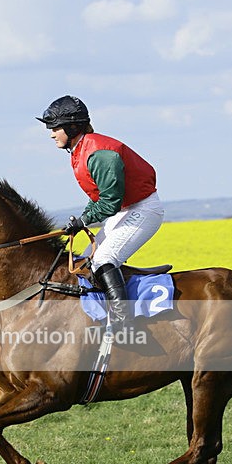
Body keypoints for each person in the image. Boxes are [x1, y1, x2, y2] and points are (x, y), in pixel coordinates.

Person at [37, 95, 164, 326]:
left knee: (104, 258)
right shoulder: (80, 150)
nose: (52, 133)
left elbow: (110, 203)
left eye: (55, 128)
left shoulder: (99, 153)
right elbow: (98, 197)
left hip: (143, 209)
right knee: (86, 262)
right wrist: (81, 220)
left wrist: (84, 220)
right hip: (124, 210)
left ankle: (123, 321)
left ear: (72, 127)